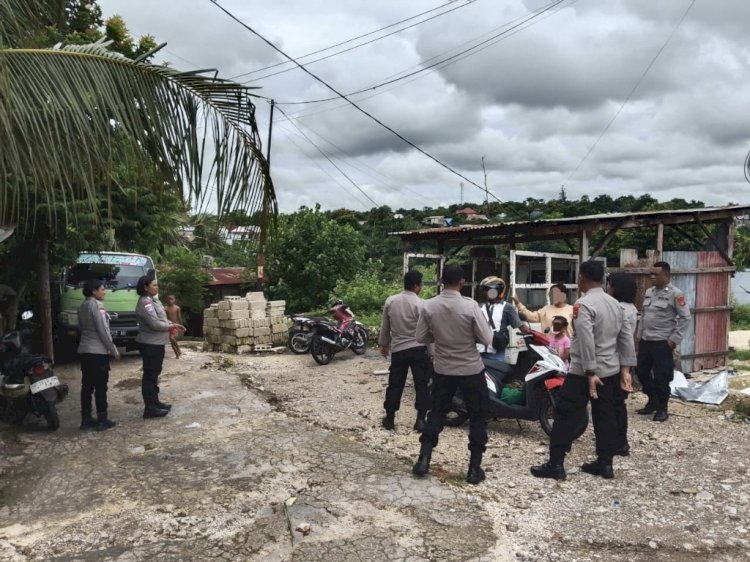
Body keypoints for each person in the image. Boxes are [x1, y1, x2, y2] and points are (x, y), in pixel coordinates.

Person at [530, 260, 636, 481]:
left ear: (582, 278)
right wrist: (626, 369)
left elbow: (586, 340)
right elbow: (626, 338)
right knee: (605, 416)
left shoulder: (584, 304)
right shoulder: (616, 304)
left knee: (565, 414)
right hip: (610, 370)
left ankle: (556, 464)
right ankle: (605, 463)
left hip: (583, 372)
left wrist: (590, 372)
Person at [412, 265, 493, 485]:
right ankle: (474, 469)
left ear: (441, 280)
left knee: (436, 412)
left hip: (443, 369)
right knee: (478, 416)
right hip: (471, 369)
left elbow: (420, 337)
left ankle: (423, 459)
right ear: (462, 282)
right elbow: (486, 338)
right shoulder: (470, 306)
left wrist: (439, 337)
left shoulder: (429, 306)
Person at [636, 261, 691, 423]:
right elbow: (644, 316)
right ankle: (653, 399)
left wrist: (674, 340)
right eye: (651, 274)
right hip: (646, 340)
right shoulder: (649, 292)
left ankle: (662, 408)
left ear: (666, 275)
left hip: (662, 342)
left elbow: (685, 317)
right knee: (641, 371)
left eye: (656, 274)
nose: (652, 277)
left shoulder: (676, 294)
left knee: (662, 376)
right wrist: (639, 336)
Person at [379, 271, 432, 433]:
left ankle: (390, 418)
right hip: (419, 349)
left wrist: (384, 345)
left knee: (395, 384)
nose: (421, 287)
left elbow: (385, 326)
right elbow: (428, 331)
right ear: (416, 286)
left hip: (399, 350)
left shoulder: (391, 301)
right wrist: (432, 352)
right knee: (421, 385)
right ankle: (420, 420)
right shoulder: (422, 305)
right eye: (421, 284)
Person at [135, 276, 184, 419]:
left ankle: (155, 402)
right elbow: (155, 324)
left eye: (157, 285)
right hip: (150, 343)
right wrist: (171, 326)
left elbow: (161, 318)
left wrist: (173, 324)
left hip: (157, 343)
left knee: (155, 373)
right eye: (154, 285)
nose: (157, 287)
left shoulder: (153, 300)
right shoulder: (145, 302)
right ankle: (150, 408)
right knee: (150, 375)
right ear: (145, 287)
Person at [77, 279, 120, 431]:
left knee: (87, 386)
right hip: (98, 352)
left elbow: (81, 327)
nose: (104, 292)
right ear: (94, 291)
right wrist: (113, 350)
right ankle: (102, 420)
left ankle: (86, 419)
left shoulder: (83, 305)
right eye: (102, 289)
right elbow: (103, 330)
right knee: (101, 387)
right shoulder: (97, 305)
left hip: (85, 350)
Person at [607, 272, 639, 456]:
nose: (608, 288)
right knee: (617, 403)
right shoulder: (630, 307)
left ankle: (619, 442)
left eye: (610, 285)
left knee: (614, 403)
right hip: (623, 360)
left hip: (617, 361)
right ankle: (619, 440)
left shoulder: (620, 309)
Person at [476, 275, 527, 361]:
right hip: (479, 352)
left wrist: (532, 335)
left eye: (488, 290)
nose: (486, 293)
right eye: (485, 290)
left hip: (497, 354)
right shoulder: (480, 307)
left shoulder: (507, 307)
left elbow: (521, 326)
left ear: (498, 291)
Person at [164, 295, 184, 359]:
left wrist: (181, 326)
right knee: (172, 341)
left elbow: (179, 317)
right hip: (168, 325)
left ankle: (178, 349)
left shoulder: (177, 308)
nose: (170, 301)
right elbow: (164, 318)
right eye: (169, 299)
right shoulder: (165, 308)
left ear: (174, 300)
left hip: (175, 326)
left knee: (172, 338)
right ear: (167, 300)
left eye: (172, 299)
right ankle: (177, 354)